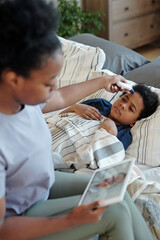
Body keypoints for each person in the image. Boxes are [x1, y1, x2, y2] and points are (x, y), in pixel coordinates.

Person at [0, 0, 154, 240]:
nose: (53, 87)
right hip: (20, 218)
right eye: (47, 81)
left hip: (39, 187)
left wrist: (104, 82)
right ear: (13, 78)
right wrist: (70, 221)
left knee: (115, 190)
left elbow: (60, 96)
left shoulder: (23, 100)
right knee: (112, 211)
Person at [60, 84, 159, 149]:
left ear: (133, 122)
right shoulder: (100, 104)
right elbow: (60, 116)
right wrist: (76, 107)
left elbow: (107, 157)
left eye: (131, 109)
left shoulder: (123, 136)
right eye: (124, 99)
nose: (123, 105)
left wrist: (110, 133)